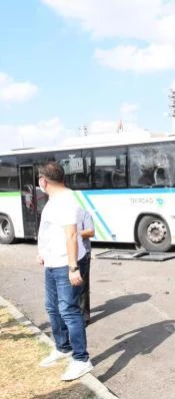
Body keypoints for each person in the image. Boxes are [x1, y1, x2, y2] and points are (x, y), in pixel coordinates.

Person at [36, 161, 93, 381]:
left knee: (69, 310)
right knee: (52, 307)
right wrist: (43, 252)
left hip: (64, 265)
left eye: (39, 179)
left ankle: (81, 359)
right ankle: (63, 347)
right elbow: (50, 232)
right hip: (52, 263)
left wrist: (72, 267)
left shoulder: (66, 201)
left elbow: (71, 235)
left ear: (44, 180)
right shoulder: (54, 200)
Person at [78, 208, 95, 326]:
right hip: (67, 254)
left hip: (83, 253)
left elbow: (91, 232)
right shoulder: (62, 213)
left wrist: (75, 232)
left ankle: (84, 316)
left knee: (83, 285)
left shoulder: (83, 213)